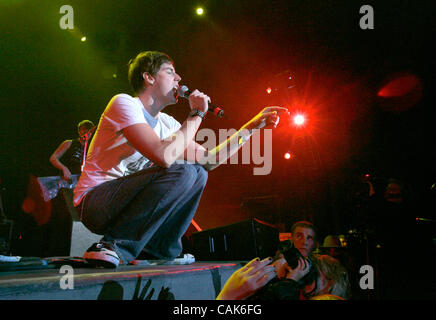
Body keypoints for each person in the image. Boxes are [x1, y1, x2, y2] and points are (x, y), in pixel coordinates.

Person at [73, 50, 288, 268]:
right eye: (171, 72)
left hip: (129, 205)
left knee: (198, 172)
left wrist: (251, 127)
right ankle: (114, 246)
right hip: (95, 203)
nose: (179, 79)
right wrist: (196, 114)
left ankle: (159, 250)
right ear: (149, 77)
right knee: (183, 169)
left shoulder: (168, 124)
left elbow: (208, 160)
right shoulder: (124, 103)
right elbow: (163, 157)